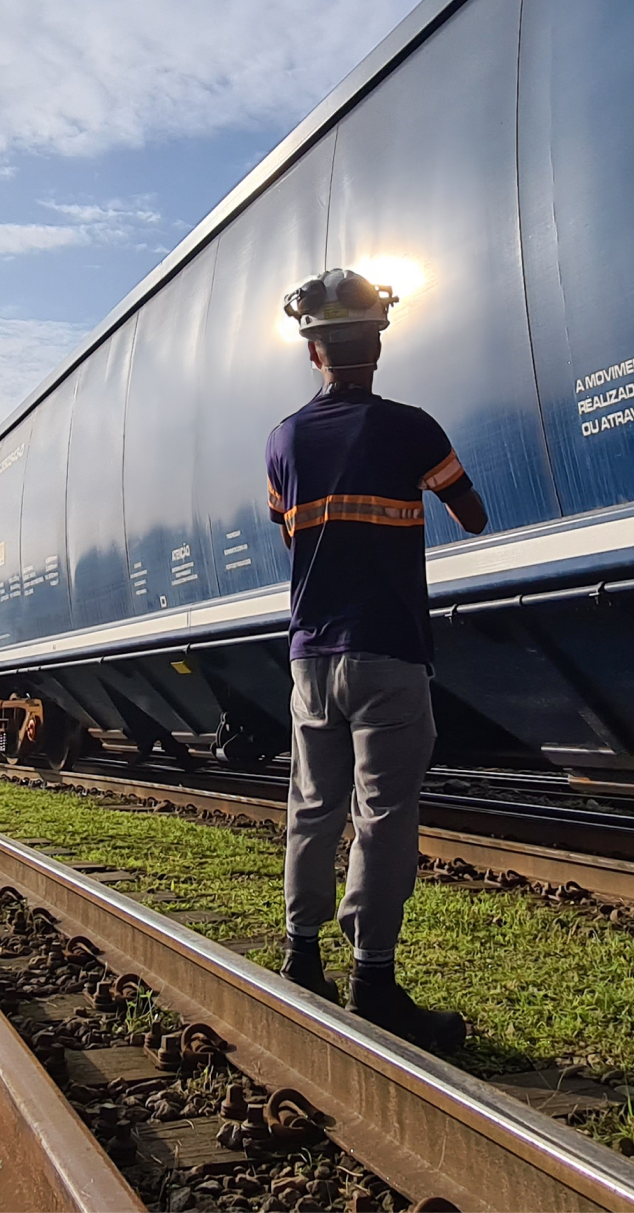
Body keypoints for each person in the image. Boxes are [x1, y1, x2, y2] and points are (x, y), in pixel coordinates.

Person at [263, 267, 487, 1054]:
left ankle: (301, 957)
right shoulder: (412, 428)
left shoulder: (283, 439)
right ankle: (374, 979)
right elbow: (474, 515)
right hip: (388, 649)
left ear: (312, 353)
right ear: (377, 345)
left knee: (313, 806)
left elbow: (287, 531)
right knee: (383, 814)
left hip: (310, 655)